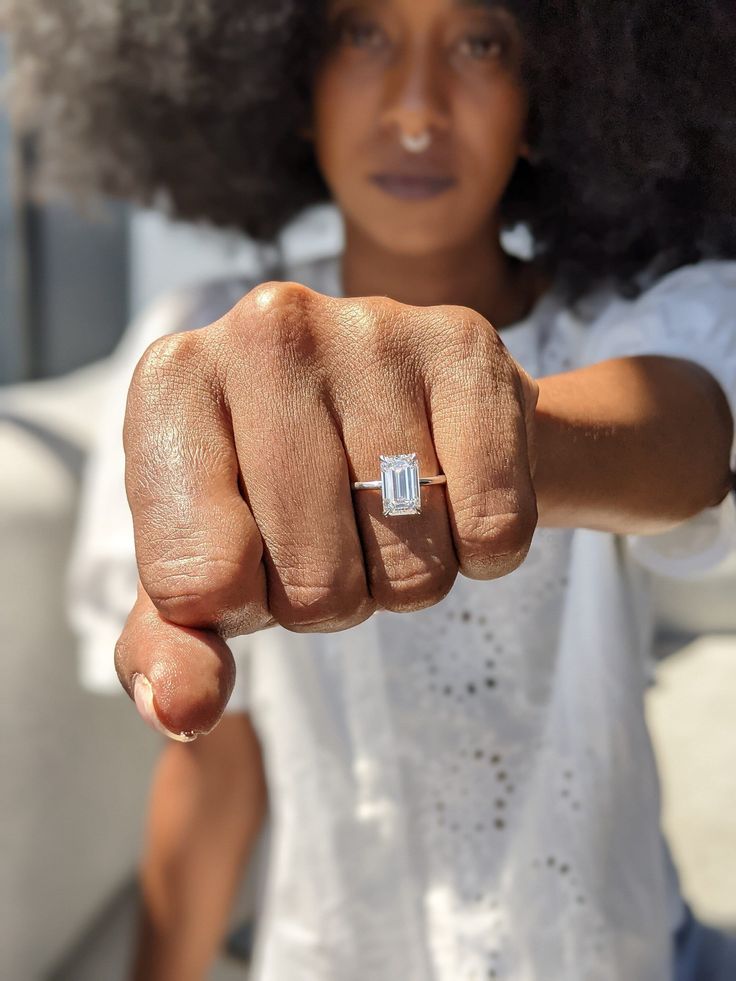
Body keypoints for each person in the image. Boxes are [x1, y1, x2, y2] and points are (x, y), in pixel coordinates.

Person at [7, 0, 736, 978]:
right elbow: (218, 769)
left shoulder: (629, 327)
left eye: (482, 43)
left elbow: (682, 437)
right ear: (288, 84)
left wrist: (500, 436)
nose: (415, 110)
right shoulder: (200, 354)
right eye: (361, 33)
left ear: (551, 94)